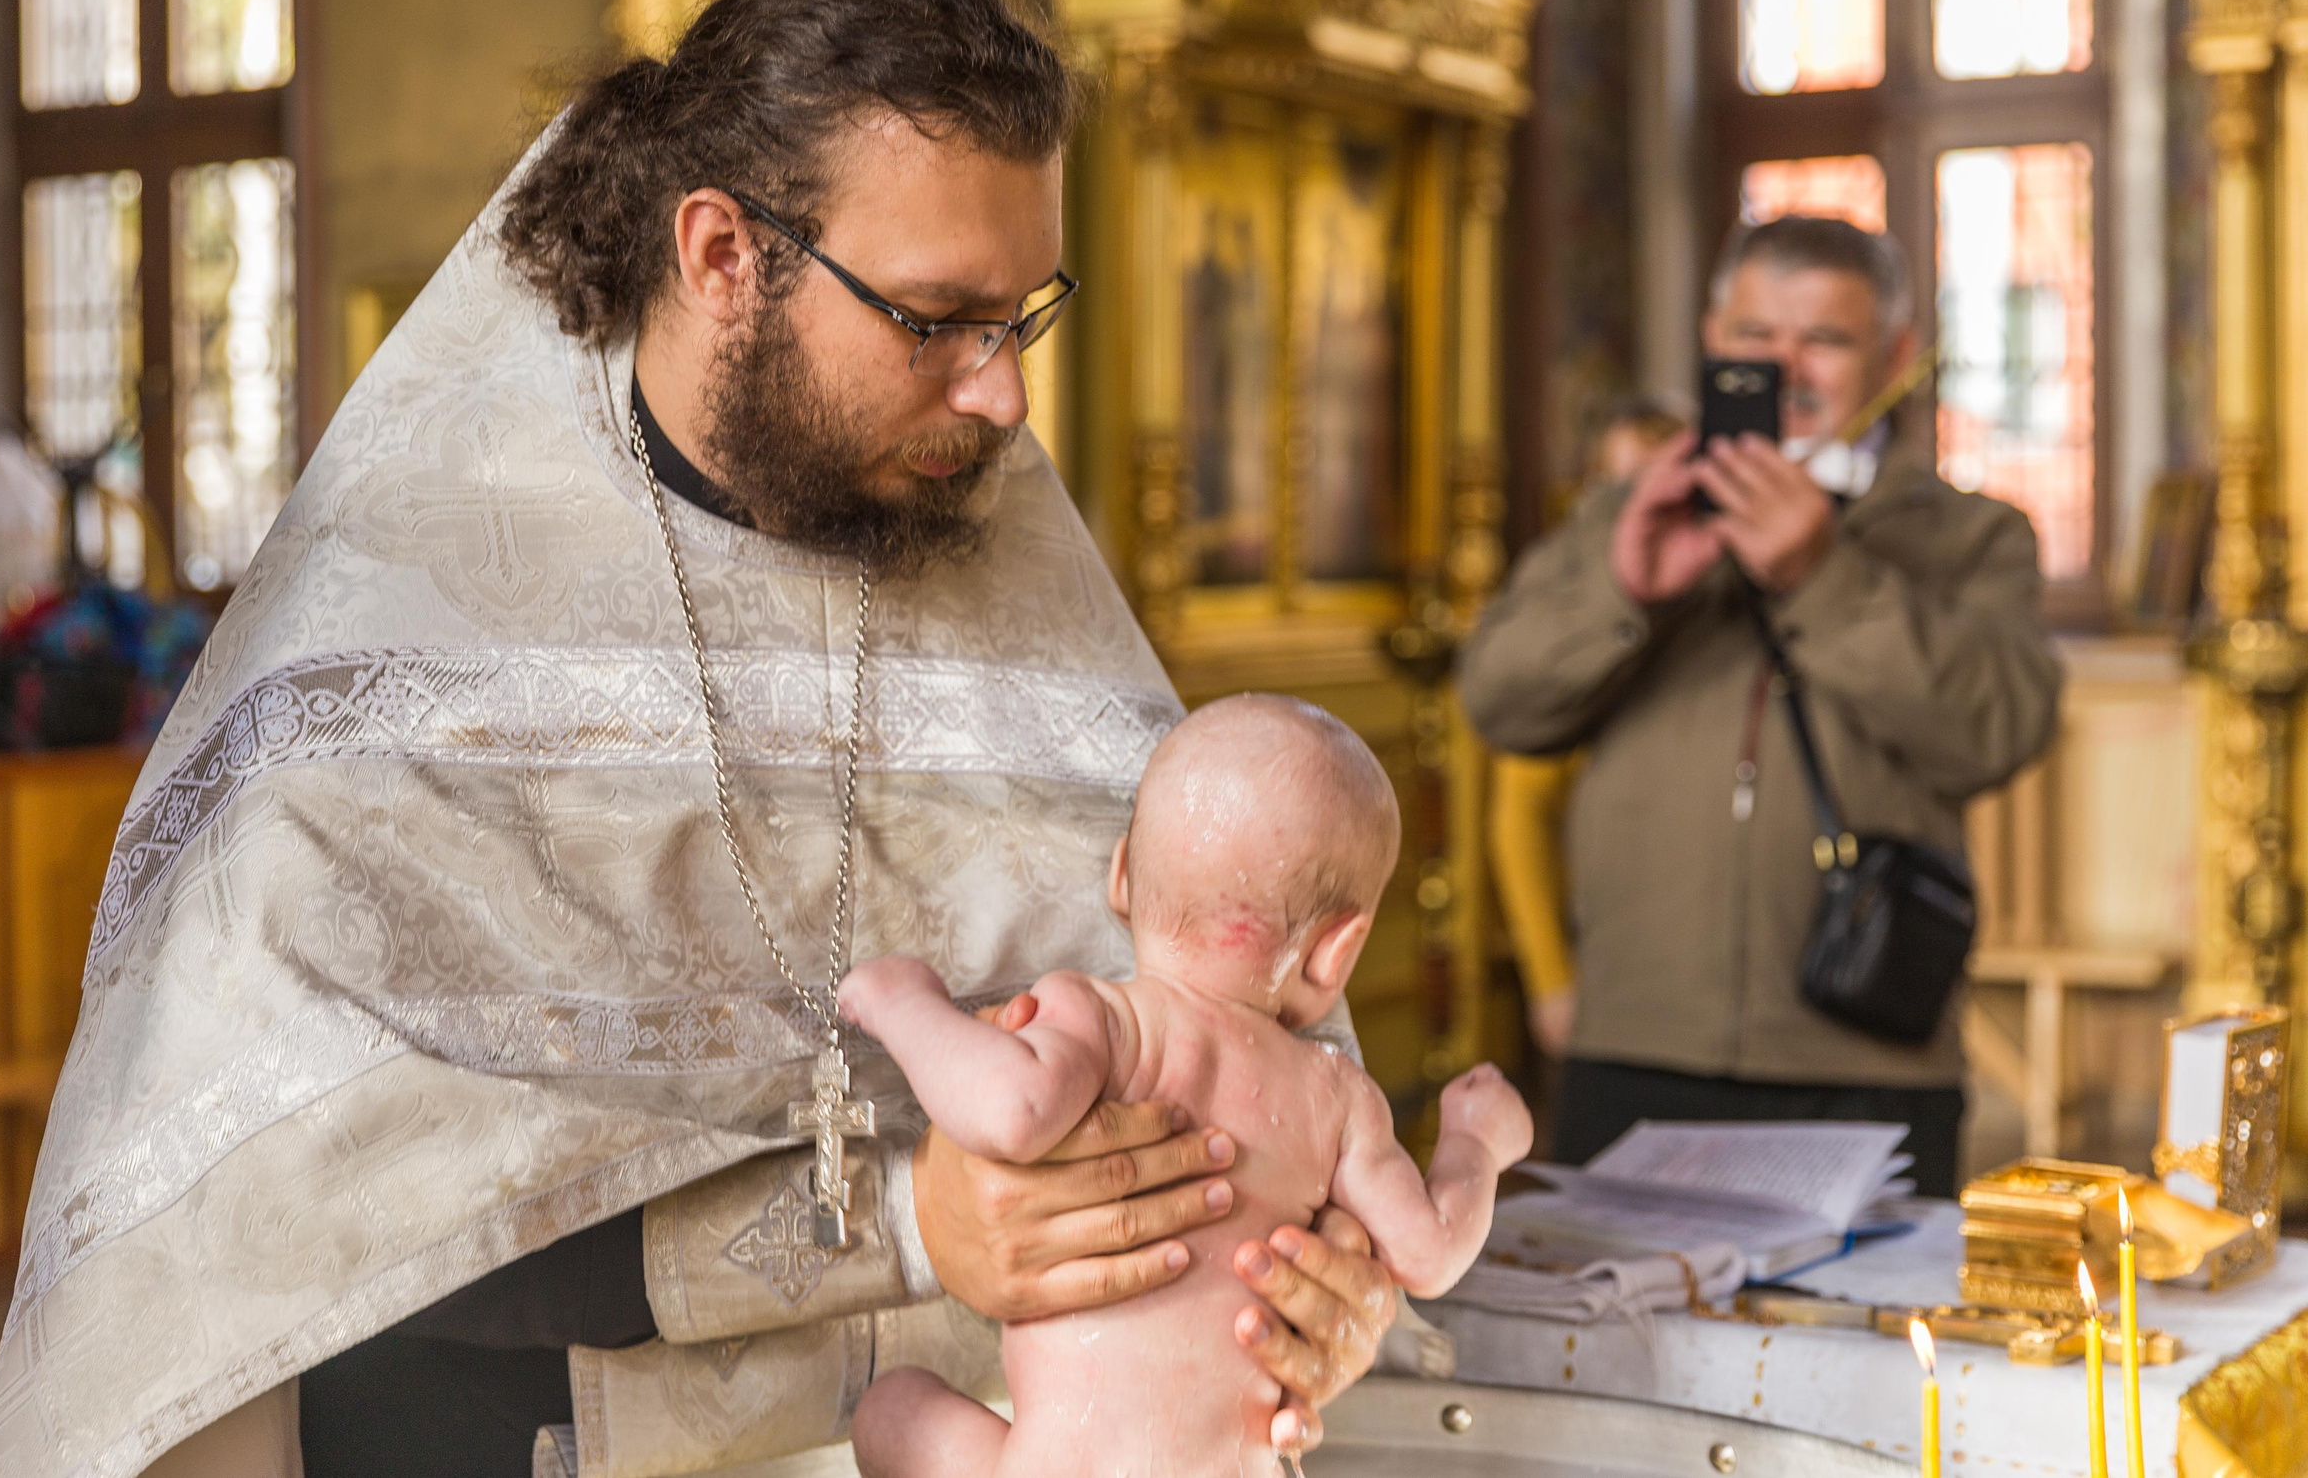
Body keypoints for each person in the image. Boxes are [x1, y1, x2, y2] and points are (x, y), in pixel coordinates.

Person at [0, 0, 1396, 1478]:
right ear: (722, 255)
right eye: (936, 319)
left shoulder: (994, 554)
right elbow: (296, 1215)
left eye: (1020, 317)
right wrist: (903, 1223)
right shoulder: (410, 608)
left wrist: (1311, 1279)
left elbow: (1240, 1040)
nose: (1003, 395)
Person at [1458, 216, 2062, 1197]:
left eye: (1825, 339)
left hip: (1866, 1054)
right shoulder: (1622, 513)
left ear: (1895, 356)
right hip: (1638, 1043)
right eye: (1754, 336)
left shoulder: (1969, 537)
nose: (1785, 368)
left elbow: (1997, 731)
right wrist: (1624, 590)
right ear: (1711, 339)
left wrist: (1823, 575)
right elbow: (1498, 701)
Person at [839, 696, 1530, 1478]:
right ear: (1338, 949)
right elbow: (1428, 1254)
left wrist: (907, 1005)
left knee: (891, 1408)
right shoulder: (1338, 1097)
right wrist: (1476, 1140)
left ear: (1121, 876)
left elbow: (1009, 1111)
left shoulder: (1103, 1020)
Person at [1487, 395, 1690, 1059]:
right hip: (1607, 958)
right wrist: (1552, 981)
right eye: (1625, 485)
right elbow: (1521, 818)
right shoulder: (1572, 624)